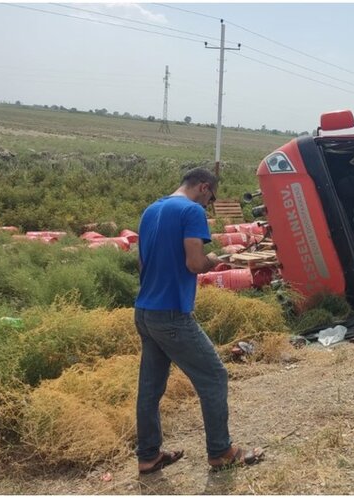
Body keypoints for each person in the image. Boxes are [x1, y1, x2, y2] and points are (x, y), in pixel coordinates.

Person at [134, 167, 265, 474]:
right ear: (204, 187)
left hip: (144, 311)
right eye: (211, 198)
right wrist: (219, 258)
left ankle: (148, 456)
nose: (209, 204)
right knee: (215, 376)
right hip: (171, 314)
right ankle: (221, 452)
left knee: (150, 388)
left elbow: (141, 262)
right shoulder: (191, 211)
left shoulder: (151, 210)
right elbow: (194, 263)